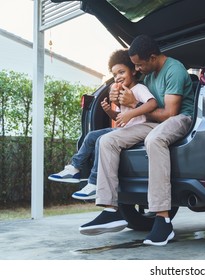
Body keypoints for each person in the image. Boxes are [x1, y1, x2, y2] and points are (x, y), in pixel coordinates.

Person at [78, 35, 194, 246]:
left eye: (139, 65)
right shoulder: (148, 76)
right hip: (153, 121)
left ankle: (163, 219)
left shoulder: (174, 70)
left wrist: (134, 105)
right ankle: (111, 209)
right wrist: (118, 97)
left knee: (154, 140)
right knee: (107, 140)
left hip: (179, 118)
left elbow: (170, 113)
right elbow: (141, 105)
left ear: (152, 57)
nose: (137, 69)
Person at [48, 49, 157, 200]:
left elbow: (152, 104)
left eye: (121, 72)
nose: (118, 77)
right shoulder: (121, 92)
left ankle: (94, 182)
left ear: (132, 70)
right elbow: (119, 117)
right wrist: (108, 112)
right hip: (125, 130)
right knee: (92, 136)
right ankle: (74, 168)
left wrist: (131, 112)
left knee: (101, 140)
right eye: (114, 75)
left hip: (138, 130)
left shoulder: (139, 88)